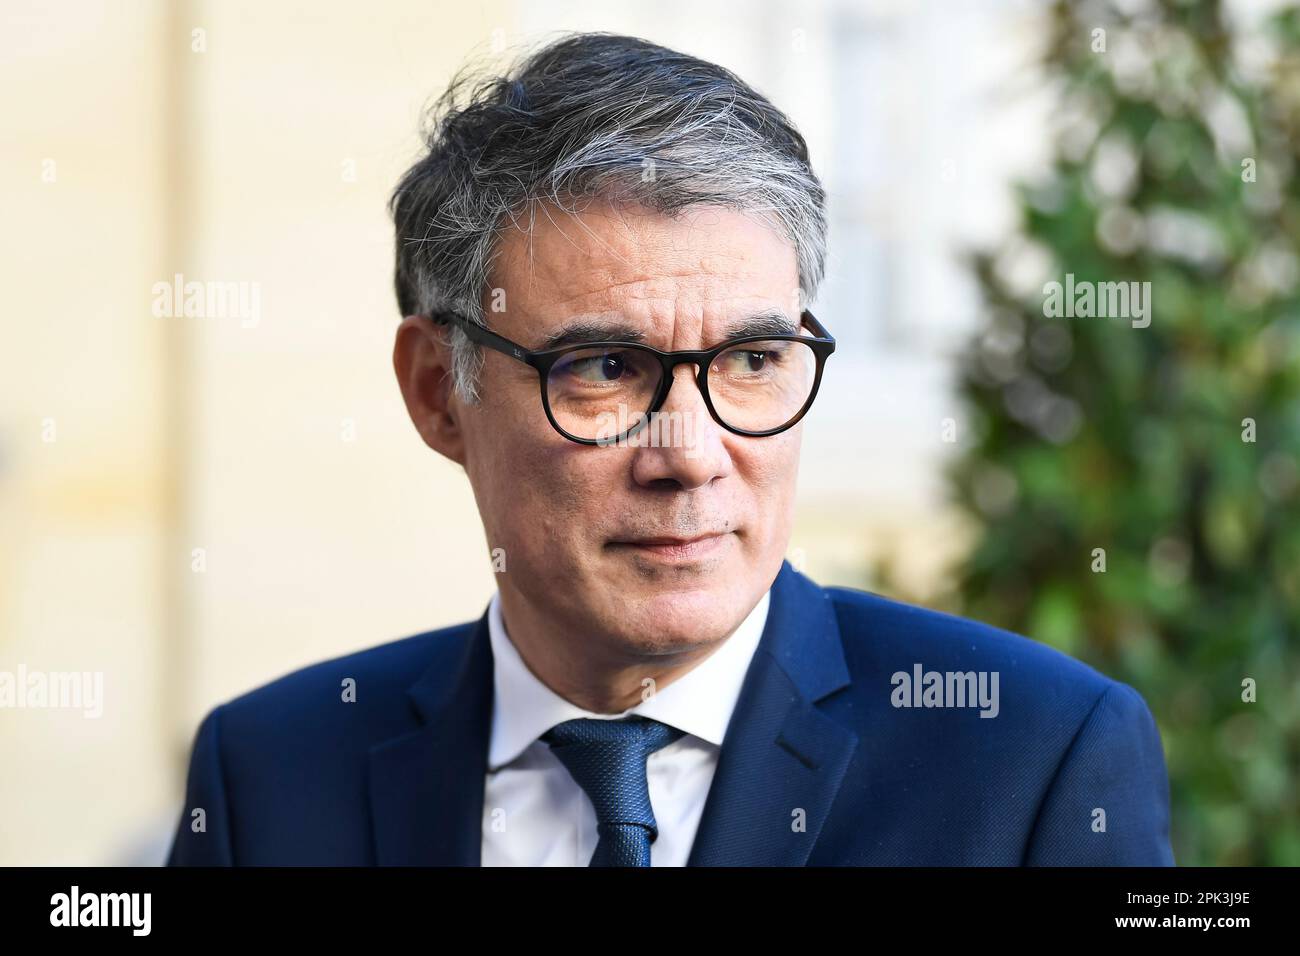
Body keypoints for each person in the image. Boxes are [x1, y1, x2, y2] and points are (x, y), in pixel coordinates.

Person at [166, 31, 1173, 866]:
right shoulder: (268, 778)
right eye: (603, 368)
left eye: (751, 358)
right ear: (439, 391)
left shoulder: (1033, 758)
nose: (689, 454)